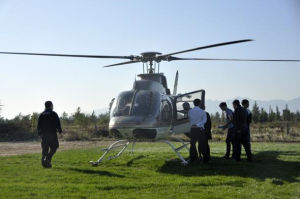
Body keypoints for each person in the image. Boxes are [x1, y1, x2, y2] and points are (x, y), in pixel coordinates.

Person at [37, 101, 62, 168]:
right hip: (52, 134)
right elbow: (57, 123)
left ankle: (45, 162)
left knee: (45, 148)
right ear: (51, 105)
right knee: (55, 146)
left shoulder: (42, 114)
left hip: (44, 135)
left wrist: (39, 133)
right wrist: (60, 131)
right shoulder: (53, 113)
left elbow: (39, 125)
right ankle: (47, 159)